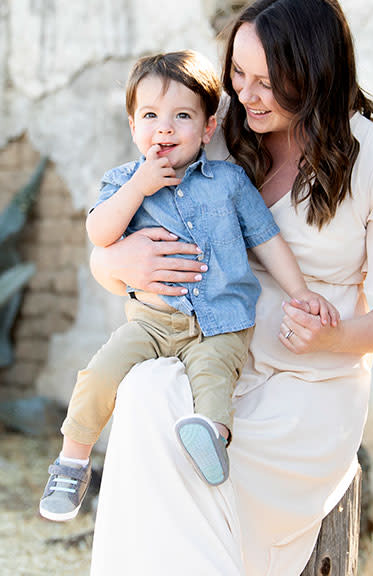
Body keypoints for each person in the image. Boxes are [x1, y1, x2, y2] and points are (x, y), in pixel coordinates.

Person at [90, 1, 373, 574]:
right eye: (238, 73)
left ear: (315, 74)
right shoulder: (215, 128)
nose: (245, 95)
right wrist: (116, 262)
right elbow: (113, 232)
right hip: (211, 358)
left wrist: (336, 337)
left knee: (195, 471)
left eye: (268, 83)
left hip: (307, 388)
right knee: (144, 395)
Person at [39, 49, 338, 522]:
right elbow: (99, 232)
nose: (165, 129)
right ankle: (72, 463)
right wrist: (138, 187)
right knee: (100, 373)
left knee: (214, 380)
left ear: (208, 128)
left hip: (220, 324)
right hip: (152, 323)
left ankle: (212, 443)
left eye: (182, 116)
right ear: (133, 126)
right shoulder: (122, 182)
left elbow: (267, 238)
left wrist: (301, 292)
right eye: (150, 116)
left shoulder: (229, 182)